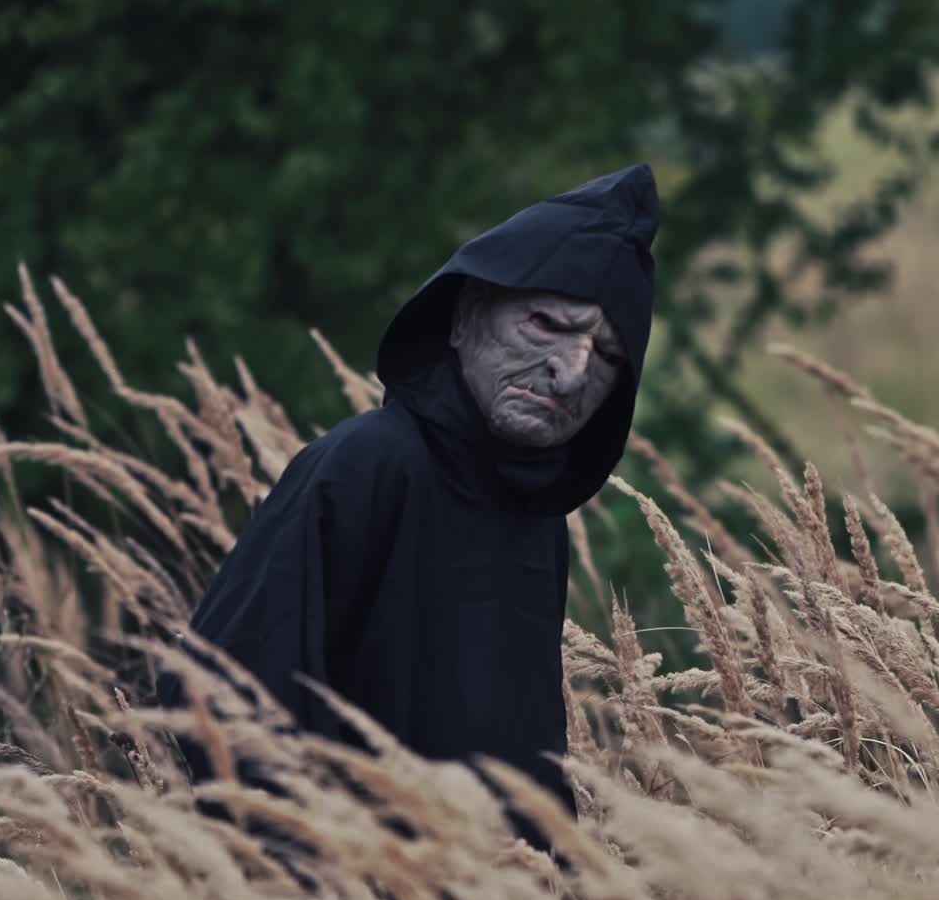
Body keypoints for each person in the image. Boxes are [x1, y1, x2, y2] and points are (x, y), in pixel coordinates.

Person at [158, 165, 660, 846]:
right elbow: (217, 690)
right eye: (546, 323)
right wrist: (328, 883)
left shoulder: (537, 515)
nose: (571, 373)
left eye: (604, 353)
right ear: (462, 317)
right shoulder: (368, 463)